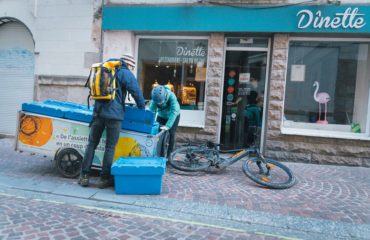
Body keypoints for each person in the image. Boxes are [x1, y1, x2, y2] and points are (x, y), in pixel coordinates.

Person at [79, 53, 145, 188]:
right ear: (129, 64)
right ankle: (104, 179)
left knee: (92, 143)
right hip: (114, 116)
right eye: (132, 66)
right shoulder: (125, 73)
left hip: (98, 112)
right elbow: (136, 92)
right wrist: (142, 108)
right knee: (110, 147)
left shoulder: (105, 69)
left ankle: (84, 176)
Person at [150, 85, 180, 158]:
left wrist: (168, 126)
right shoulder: (155, 99)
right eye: (158, 103)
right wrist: (150, 123)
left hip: (173, 115)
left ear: (165, 96)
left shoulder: (172, 97)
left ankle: (170, 156)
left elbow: (174, 112)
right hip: (161, 115)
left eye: (161, 102)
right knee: (158, 132)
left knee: (171, 133)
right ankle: (157, 153)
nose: (159, 104)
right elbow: (152, 111)